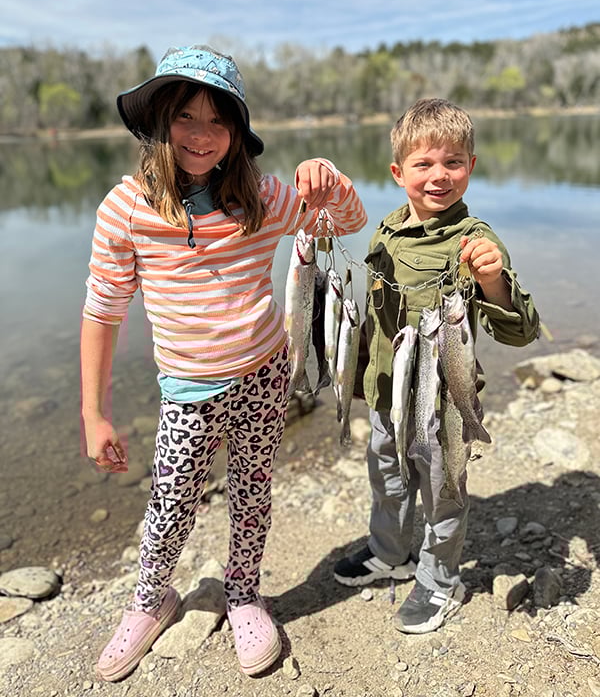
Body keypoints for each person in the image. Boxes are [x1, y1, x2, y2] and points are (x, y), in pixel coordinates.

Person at [80, 44, 367, 681]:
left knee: (252, 493)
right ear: (160, 122)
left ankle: (243, 593)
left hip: (266, 376)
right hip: (186, 389)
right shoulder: (127, 209)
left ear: (237, 132)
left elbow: (348, 220)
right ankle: (152, 599)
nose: (201, 135)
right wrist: (94, 413)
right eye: (186, 117)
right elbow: (102, 312)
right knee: (172, 499)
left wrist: (330, 179)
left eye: (218, 120)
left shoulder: (262, 198)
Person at [334, 98, 539, 634]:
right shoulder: (386, 229)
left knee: (444, 490)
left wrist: (492, 281)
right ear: (399, 172)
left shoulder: (477, 241)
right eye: (424, 164)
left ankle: (441, 579)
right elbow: (373, 320)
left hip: (444, 404)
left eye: (453, 162)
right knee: (388, 476)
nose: (438, 176)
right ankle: (390, 552)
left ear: (471, 166)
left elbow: (519, 332)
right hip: (386, 396)